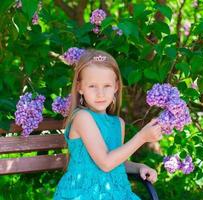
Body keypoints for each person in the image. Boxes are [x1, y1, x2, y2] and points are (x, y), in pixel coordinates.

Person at [54, 49, 162, 199]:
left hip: (115, 193)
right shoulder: (82, 118)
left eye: (107, 86)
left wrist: (139, 167)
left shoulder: (118, 123)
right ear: (80, 87)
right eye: (92, 86)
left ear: (116, 87)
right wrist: (142, 137)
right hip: (85, 193)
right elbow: (105, 162)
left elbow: (117, 163)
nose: (100, 93)